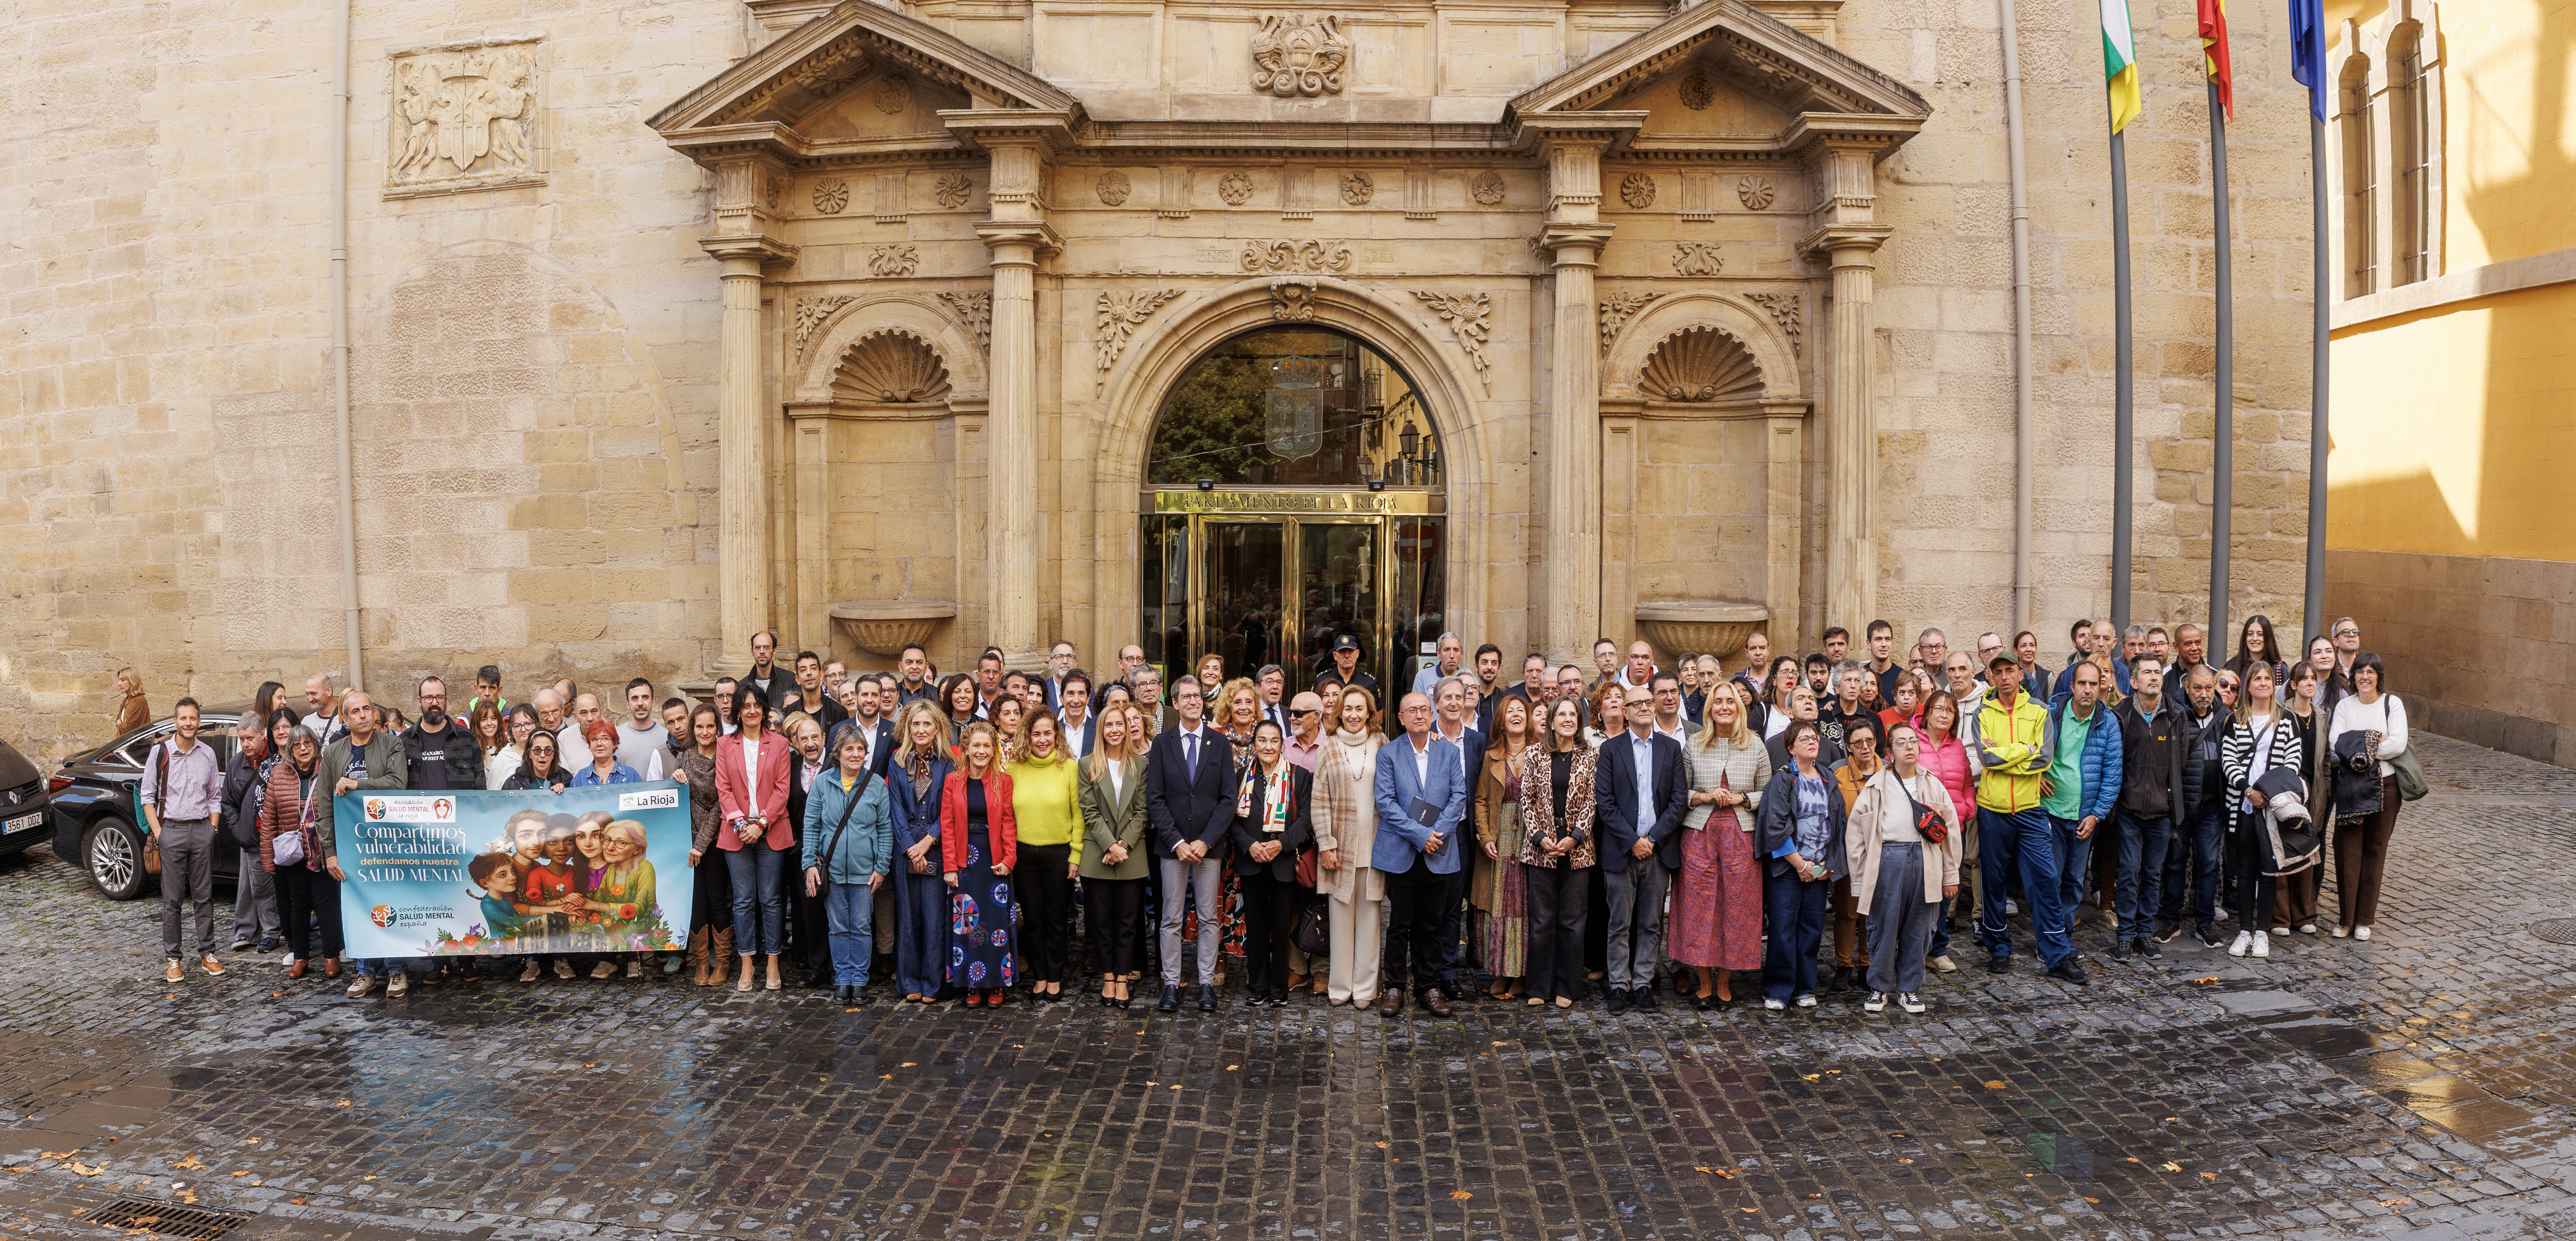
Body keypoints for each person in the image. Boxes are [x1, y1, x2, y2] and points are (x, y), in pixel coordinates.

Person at [1973, 654, 2085, 984]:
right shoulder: (1982, 712)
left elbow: (2044, 758)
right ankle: (1998, 948)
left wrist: (2011, 752)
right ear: (1991, 677)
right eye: (1999, 672)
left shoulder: (2040, 711)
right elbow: (1986, 758)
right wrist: (2025, 748)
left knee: (2044, 880)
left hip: (2031, 810)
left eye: (2010, 670)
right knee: (1993, 882)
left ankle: (2055, 953)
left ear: (2020, 675)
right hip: (1993, 809)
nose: (2005, 676)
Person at [1847, 720, 1961, 1013]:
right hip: (1887, 860)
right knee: (1882, 927)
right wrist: (1860, 881)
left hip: (1925, 861)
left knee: (1920, 928)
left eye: (1913, 741)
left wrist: (1950, 874)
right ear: (1888, 751)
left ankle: (1909, 988)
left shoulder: (1932, 784)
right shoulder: (1875, 787)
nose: (1909, 746)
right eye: (1901, 742)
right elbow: (1856, 835)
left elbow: (1950, 833)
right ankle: (1879, 987)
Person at [1593, 679, 1689, 1014]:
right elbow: (1604, 803)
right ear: (1626, 711)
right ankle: (1619, 985)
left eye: (1649, 701)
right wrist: (1633, 841)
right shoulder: (1610, 749)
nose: (1647, 706)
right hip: (1620, 851)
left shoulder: (1670, 748)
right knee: (1619, 923)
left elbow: (1678, 801)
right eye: (1638, 703)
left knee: (1650, 922)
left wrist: (1652, 839)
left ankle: (1644, 983)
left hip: (1658, 850)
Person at [1673, 681, 1769, 1007]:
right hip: (1700, 834)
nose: (1725, 706)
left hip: (1741, 836)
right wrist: (1704, 796)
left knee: (1736, 907)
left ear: (1738, 707)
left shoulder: (1755, 745)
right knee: (1699, 907)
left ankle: (1726, 981)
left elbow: (1767, 793)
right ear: (1710, 708)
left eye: (1730, 701)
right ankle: (1702, 981)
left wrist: (1742, 798)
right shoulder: (1694, 744)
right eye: (1718, 702)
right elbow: (1678, 793)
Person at [1372, 691, 1467, 1017]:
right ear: (1400, 718)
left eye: (1424, 709)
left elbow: (1459, 797)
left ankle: (1428, 987)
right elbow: (1385, 802)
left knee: (1431, 924)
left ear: (1432, 712)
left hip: (1439, 851)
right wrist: (1421, 835)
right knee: (1399, 923)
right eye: (1411, 710)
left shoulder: (1449, 752)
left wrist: (1435, 834)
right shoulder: (1388, 754)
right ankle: (1395, 985)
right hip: (1402, 850)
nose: (1418, 715)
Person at [1147, 677, 1233, 1013]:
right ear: (1176, 703)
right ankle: (1171, 983)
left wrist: (1205, 840)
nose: (1193, 701)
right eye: (1186, 697)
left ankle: (1206, 984)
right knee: (1170, 917)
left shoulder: (1219, 744)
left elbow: (1228, 799)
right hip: (1173, 847)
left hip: (1209, 847)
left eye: (1198, 696)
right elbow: (1155, 799)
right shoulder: (1162, 743)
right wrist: (1179, 841)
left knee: (1209, 917)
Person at [324, 693, 411, 996]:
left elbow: (398, 783)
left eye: (367, 709)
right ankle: (364, 971)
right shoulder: (333, 753)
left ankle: (397, 970)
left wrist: (356, 784)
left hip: (389, 842)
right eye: (355, 712)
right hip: (352, 845)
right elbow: (324, 805)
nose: (362, 715)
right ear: (345, 720)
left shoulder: (392, 744)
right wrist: (330, 852)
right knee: (359, 906)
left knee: (391, 902)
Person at [1755, 720, 1844, 1009]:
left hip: (1818, 868)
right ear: (1790, 747)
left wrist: (1824, 864)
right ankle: (1778, 990)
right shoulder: (1782, 780)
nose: (1812, 742)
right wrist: (1800, 865)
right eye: (1804, 738)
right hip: (1788, 869)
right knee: (1782, 929)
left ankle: (1804, 988)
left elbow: (1838, 824)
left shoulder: (1828, 778)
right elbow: (1775, 827)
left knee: (1812, 928)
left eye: (1814, 737)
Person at [802, 724, 892, 1005]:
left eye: (860, 749)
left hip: (866, 871)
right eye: (849, 749)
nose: (855, 754)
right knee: (839, 926)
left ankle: (860, 980)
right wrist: (809, 864)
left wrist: (882, 867)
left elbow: (886, 829)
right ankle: (843, 979)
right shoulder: (823, 782)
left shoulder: (876, 784)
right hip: (833, 869)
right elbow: (812, 826)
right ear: (838, 753)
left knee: (862, 926)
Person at [140, 696, 227, 982]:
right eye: (183, 718)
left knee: (204, 897)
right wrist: (160, 833)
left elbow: (215, 795)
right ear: (175, 721)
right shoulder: (161, 753)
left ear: (198, 722)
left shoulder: (208, 754)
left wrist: (212, 829)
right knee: (173, 900)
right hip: (172, 831)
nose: (189, 723)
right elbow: (147, 797)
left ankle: (207, 953)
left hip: (201, 830)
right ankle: (173, 959)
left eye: (193, 718)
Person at [1516, 697, 1596, 1008]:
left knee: (1573, 922)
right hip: (1541, 849)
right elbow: (1527, 798)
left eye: (1572, 714)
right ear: (1550, 721)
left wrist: (1576, 836)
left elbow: (1593, 800)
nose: (1567, 719)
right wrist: (1539, 837)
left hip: (1578, 849)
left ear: (1578, 721)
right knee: (1541, 921)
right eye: (1561, 714)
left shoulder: (1588, 754)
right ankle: (1538, 986)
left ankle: (1567, 986)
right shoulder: (1535, 753)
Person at [1229, 719, 1314, 1006]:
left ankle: (1278, 989)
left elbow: (1306, 818)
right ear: (1254, 745)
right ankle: (1257, 987)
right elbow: (1230, 820)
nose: (1268, 746)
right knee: (1255, 926)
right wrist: (1249, 845)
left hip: (1283, 860)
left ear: (1282, 744)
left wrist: (1282, 844)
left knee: (1281, 928)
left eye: (1274, 740)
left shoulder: (1299, 776)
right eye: (1262, 740)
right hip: (1251, 859)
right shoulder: (1241, 776)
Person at [1311, 685, 1387, 1008]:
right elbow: (1319, 802)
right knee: (1340, 921)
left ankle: (1366, 988)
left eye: (1360, 708)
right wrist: (1326, 845)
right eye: (1348, 708)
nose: (1354, 714)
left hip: (1374, 845)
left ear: (1369, 712)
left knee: (1370, 920)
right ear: (1338, 712)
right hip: (1339, 848)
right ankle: (1340, 986)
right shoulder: (1328, 748)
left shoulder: (1382, 744)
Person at [2218, 661, 2299, 958]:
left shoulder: (2286, 720)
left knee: (2269, 870)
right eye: (2257, 679)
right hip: (2242, 805)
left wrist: (2267, 791)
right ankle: (2243, 931)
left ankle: (2262, 933)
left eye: (2267, 678)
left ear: (2273, 685)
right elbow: (2228, 760)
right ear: (2248, 685)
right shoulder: (2235, 721)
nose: (2263, 683)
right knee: (2245, 869)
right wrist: (2249, 791)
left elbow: (2292, 761)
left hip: (2272, 808)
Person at [715, 688, 793, 993]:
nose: (751, 710)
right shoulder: (725, 744)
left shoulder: (780, 743)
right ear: (737, 711)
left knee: (772, 900)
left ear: (763, 709)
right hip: (736, 832)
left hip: (770, 830)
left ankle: (773, 960)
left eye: (756, 705)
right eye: (745, 706)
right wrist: (739, 823)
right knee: (744, 900)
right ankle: (747, 961)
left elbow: (782, 789)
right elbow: (723, 788)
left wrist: (761, 823)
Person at [2108, 654, 2184, 962]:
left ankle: (2143, 933)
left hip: (2161, 811)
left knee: (2152, 874)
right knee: (2127, 872)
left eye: (2157, 672)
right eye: (2147, 673)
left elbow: (2180, 760)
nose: (2153, 677)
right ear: (2134, 680)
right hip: (2128, 809)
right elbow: (2115, 761)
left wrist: (2172, 796)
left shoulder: (2176, 714)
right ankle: (2125, 934)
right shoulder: (2121, 714)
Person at [2328, 653, 2408, 941]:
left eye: (2371, 671)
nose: (2364, 676)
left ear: (2379, 676)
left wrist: (2357, 744)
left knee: (2374, 851)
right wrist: (2375, 740)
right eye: (2360, 671)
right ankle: (2346, 918)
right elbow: (2335, 744)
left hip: (2386, 787)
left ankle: (2364, 919)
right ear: (2353, 677)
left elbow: (2398, 743)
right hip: (2350, 787)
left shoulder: (2392, 704)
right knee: (2347, 850)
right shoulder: (2343, 706)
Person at [260, 723, 348, 980]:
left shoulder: (328, 771)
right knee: (297, 906)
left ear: (316, 746)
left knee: (326, 904)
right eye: (297, 745)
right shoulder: (279, 774)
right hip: (293, 851)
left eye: (307, 743)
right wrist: (269, 860)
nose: (303, 749)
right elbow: (269, 820)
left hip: (323, 850)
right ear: (290, 750)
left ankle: (331, 956)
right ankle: (300, 957)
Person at [941, 721, 1019, 1006]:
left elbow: (1010, 823)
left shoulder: (1004, 781)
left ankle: (997, 983)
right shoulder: (953, 781)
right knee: (968, 923)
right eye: (976, 745)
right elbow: (947, 825)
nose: (981, 750)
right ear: (966, 748)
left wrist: (1009, 859)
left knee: (995, 922)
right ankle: (971, 984)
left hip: (994, 859)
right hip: (965, 860)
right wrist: (950, 866)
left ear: (994, 750)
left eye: (987, 745)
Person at [2040, 660, 2121, 936]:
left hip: (2083, 817)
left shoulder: (2108, 722)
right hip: (2050, 811)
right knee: (2050, 877)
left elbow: (2113, 774)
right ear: (2072, 686)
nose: (2088, 690)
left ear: (2102, 688)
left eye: (2094, 684)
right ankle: (2049, 936)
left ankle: (2063, 934)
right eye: (2082, 684)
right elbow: (2030, 751)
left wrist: (2096, 815)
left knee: (2074, 880)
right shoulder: (2052, 715)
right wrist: (2036, 776)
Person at [1008, 711, 1082, 1002]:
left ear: (1057, 735)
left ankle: (1055, 976)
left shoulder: (1070, 768)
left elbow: (1079, 815)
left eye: (1047, 733)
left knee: (1055, 919)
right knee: (1034, 919)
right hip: (1024, 854)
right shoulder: (1014, 768)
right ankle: (1039, 975)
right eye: (1036, 734)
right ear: (1027, 736)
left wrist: (1076, 854)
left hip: (1059, 854)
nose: (1042, 739)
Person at [1079, 704, 1150, 1008]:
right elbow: (1090, 811)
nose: (1115, 730)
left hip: (1131, 853)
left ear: (1127, 727)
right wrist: (1110, 846)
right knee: (1101, 923)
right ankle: (1108, 977)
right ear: (1101, 729)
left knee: (1128, 922)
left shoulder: (1141, 765)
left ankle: (1122, 978)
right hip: (1098, 853)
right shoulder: (1087, 764)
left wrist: (1123, 845)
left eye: (1119, 724)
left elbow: (1142, 811)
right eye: (1108, 725)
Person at [885, 701, 955, 1002]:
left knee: (933, 916)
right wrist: (910, 848)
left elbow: (951, 807)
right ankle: (909, 980)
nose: (921, 730)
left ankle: (933, 983)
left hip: (936, 846)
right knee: (908, 916)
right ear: (907, 728)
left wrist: (929, 841)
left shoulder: (949, 762)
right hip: (905, 849)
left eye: (927, 724)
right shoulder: (896, 761)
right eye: (916, 724)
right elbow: (895, 807)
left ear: (937, 728)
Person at [1472, 695, 1534, 1000]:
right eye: (1509, 711)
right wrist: (1485, 836)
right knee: (1498, 906)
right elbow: (1481, 800)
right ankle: (1499, 971)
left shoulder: (1540, 753)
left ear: (1528, 717)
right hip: (1500, 839)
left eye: (1520, 711)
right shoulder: (1491, 755)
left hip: (1530, 839)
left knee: (1523, 907)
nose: (1515, 715)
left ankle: (1521, 973)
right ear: (1501, 719)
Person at [221, 706, 292, 956]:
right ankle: (261, 931)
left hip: (279, 835)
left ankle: (269, 930)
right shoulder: (235, 764)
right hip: (252, 837)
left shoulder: (273, 760)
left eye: (250, 738)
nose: (245, 744)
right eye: (241, 739)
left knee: (274, 885)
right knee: (256, 885)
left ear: (263, 734)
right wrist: (239, 831)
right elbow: (228, 802)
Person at [1915, 689, 1976, 971]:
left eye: (1949, 711)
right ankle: (1913, 947)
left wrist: (1969, 803)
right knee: (1917, 890)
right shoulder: (1913, 741)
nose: (1943, 714)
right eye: (1938, 709)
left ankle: (1937, 950)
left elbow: (1966, 781)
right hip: (1919, 829)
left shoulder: (1958, 747)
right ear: (1927, 713)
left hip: (1951, 829)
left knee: (1944, 889)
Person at [676, 704, 732, 986]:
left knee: (718, 901)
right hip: (688, 841)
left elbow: (723, 805)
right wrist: (675, 781)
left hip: (717, 841)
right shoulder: (683, 758)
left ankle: (722, 963)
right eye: (700, 726)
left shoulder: (726, 758)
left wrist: (701, 844)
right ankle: (700, 963)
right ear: (692, 728)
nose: (705, 732)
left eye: (711, 726)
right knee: (696, 904)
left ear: (717, 728)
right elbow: (677, 800)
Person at [2271, 659, 2327, 936]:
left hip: (2313, 793)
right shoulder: (2281, 714)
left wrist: (2324, 793)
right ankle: (2281, 917)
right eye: (2303, 679)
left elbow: (2325, 761)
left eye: (2313, 679)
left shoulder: (2321, 717)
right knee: (2282, 850)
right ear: (2292, 686)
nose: (2309, 683)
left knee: (2307, 849)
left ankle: (2305, 915)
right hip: (2285, 790)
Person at [781, 714, 834, 988]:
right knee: (810, 911)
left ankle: (844, 968)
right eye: (804, 739)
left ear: (824, 738)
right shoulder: (789, 766)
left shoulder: (838, 764)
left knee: (838, 911)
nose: (811, 744)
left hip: (837, 849)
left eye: (815, 737)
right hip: (803, 849)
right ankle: (818, 968)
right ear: (796, 743)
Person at [2226, 615, 2289, 711]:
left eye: (2260, 634)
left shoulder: (2279, 670)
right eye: (2250, 634)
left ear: (2268, 638)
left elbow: (2288, 705)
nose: (2255, 638)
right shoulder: (2232, 669)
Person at [616, 678, 671, 779]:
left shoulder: (667, 738)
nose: (640, 703)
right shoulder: (615, 737)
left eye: (645, 698)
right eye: (635, 698)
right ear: (628, 704)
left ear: (653, 702)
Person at [571, 718, 641, 787]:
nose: (599, 744)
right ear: (590, 746)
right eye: (594, 739)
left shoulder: (631, 776)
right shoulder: (580, 778)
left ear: (614, 744)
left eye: (605, 739)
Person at [502, 730, 571, 793]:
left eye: (548, 750)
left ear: (554, 755)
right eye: (537, 750)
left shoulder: (566, 780)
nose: (543, 755)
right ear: (530, 754)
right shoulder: (514, 783)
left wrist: (564, 793)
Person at [1057, 671, 1098, 758]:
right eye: (1071, 694)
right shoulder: (1052, 728)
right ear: (1062, 698)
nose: (1076, 701)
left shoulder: (1099, 729)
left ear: (1088, 698)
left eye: (1081, 694)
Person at [1325, 633, 1378, 697]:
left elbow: (1376, 707)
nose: (1347, 656)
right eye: (1342, 652)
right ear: (1335, 656)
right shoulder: (1323, 680)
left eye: (1351, 651)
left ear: (1357, 654)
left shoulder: (1369, 683)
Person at [113, 666, 150, 737]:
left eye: (123, 680)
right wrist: (121, 724)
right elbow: (118, 719)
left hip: (136, 745)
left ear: (132, 681)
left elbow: (127, 729)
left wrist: (120, 724)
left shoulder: (139, 701)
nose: (119, 684)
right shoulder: (127, 699)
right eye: (119, 680)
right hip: (126, 744)